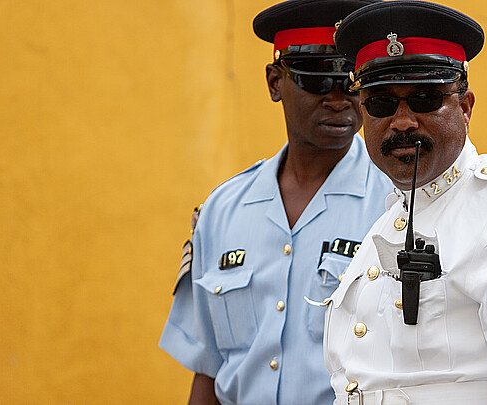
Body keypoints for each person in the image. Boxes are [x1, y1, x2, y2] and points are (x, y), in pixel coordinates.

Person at [322, 1, 487, 404]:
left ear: (464, 108)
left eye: (426, 99)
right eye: (380, 103)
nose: (402, 121)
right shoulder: (386, 225)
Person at [159, 0, 392, 403]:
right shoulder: (222, 210)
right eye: (317, 81)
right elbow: (209, 371)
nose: (338, 100)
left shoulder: (395, 204)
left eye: (351, 83)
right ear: (274, 82)